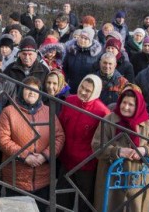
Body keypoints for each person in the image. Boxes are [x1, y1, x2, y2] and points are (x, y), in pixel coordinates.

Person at [0, 76, 66, 212]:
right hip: (16, 178)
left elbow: (59, 137)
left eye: (36, 90)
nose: (32, 93)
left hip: (43, 176)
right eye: (28, 89)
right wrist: (25, 155)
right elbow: (2, 138)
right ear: (21, 90)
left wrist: (44, 156)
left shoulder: (48, 111)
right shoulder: (9, 111)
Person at [92, 85, 149, 212]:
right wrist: (118, 151)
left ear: (138, 107)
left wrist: (145, 150)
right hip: (112, 179)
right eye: (124, 102)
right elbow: (97, 146)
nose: (125, 107)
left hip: (138, 182)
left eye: (131, 105)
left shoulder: (146, 125)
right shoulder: (108, 121)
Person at [57, 75, 110, 212]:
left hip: (86, 164)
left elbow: (101, 140)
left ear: (96, 92)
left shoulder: (102, 112)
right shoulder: (69, 101)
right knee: (62, 198)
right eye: (82, 88)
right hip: (66, 160)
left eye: (88, 91)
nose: (83, 92)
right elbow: (60, 126)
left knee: (84, 201)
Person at [63, 27, 102, 94]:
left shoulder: (96, 54)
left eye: (86, 39)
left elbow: (97, 72)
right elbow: (65, 68)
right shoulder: (70, 50)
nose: (82, 40)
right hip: (70, 87)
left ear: (91, 40)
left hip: (86, 89)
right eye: (81, 37)